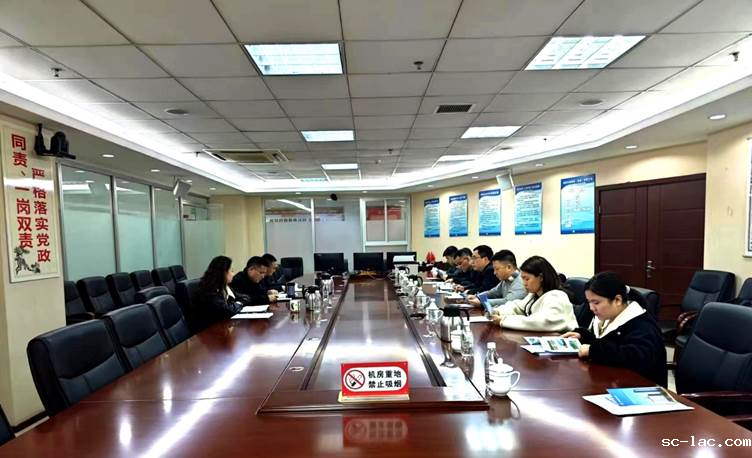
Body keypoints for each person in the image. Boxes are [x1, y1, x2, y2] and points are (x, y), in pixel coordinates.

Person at [562, 272, 667, 386]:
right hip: (613, 381)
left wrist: (594, 350)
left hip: (640, 388)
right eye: (589, 302)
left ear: (617, 300)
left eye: (596, 302)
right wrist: (583, 336)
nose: (591, 308)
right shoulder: (608, 316)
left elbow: (636, 357)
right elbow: (607, 341)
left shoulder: (643, 325)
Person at [490, 255, 577, 332]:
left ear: (541, 277)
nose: (524, 283)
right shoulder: (534, 295)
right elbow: (518, 307)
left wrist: (504, 320)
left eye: (527, 279)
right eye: (523, 279)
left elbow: (543, 322)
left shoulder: (556, 296)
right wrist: (498, 311)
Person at [192, 256, 251, 330]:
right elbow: (228, 310)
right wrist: (239, 303)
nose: (233, 274)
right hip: (207, 331)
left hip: (220, 326)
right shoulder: (209, 290)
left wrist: (237, 303)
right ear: (223, 272)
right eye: (231, 271)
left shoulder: (223, 286)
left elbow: (246, 297)